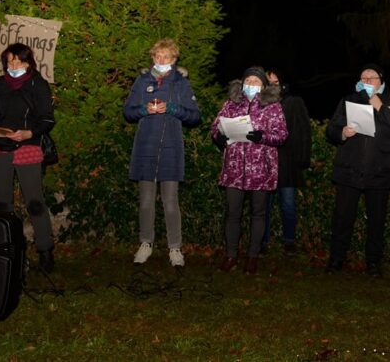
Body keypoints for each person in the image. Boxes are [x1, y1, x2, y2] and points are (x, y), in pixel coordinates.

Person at [325, 64, 390, 276]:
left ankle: (373, 262)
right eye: (363, 77)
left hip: (379, 170)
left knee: (376, 220)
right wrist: (342, 132)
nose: (367, 81)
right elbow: (331, 129)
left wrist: (378, 105)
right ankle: (337, 258)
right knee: (343, 217)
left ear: (381, 80)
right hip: (349, 169)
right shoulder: (349, 99)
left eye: (371, 77)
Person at [123, 39, 200, 267]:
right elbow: (127, 112)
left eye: (166, 57)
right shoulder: (142, 80)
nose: (161, 60)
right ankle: (145, 244)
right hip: (145, 146)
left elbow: (195, 116)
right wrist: (143, 110)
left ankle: (175, 248)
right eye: (157, 56)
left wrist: (174, 109)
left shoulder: (181, 83)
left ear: (174, 59)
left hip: (171, 148)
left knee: (170, 202)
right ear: (153, 57)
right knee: (146, 202)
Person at [0, 43, 56, 272]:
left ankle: (45, 250)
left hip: (28, 147)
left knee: (34, 202)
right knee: (3, 203)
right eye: (9, 61)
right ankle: (8, 252)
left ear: (28, 62)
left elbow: (47, 119)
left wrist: (29, 133)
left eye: (18, 61)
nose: (13, 65)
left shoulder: (38, 85)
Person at [211, 67, 288, 274]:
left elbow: (281, 135)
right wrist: (220, 137)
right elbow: (216, 126)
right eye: (248, 80)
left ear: (263, 86)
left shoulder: (273, 107)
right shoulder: (231, 103)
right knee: (232, 213)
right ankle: (231, 255)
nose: (251, 84)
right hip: (234, 168)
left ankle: (252, 257)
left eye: (256, 81)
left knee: (258, 213)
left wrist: (262, 137)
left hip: (261, 169)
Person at [261, 69, 312, 255]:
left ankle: (289, 241)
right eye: (269, 82)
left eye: (276, 82)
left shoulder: (294, 102)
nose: (273, 86)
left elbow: (303, 131)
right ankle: (262, 241)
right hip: (265, 163)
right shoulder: (261, 103)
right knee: (263, 205)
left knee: (288, 204)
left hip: (287, 164)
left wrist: (302, 160)